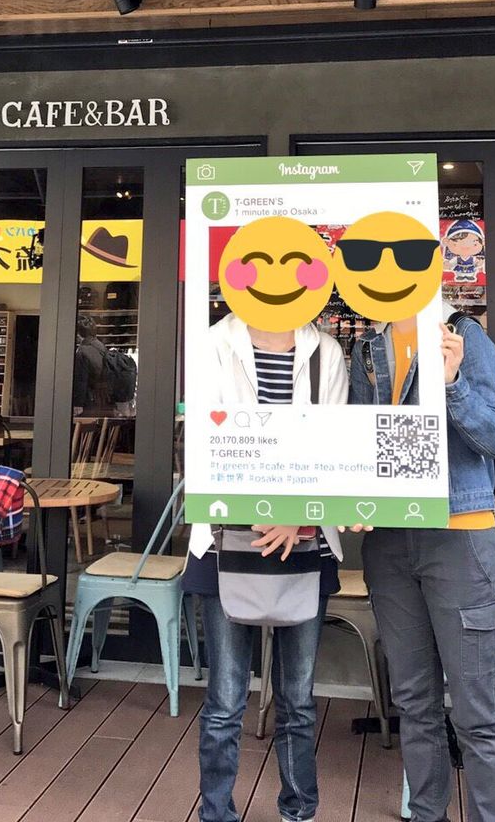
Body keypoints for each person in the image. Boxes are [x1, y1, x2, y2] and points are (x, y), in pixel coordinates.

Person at [184, 309, 348, 822]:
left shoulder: (326, 352)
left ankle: (299, 810)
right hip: (225, 540)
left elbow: (336, 446)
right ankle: (216, 814)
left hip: (307, 543)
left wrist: (297, 515)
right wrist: (263, 510)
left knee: (297, 699)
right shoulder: (213, 344)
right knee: (225, 699)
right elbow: (205, 445)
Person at [349, 312, 495, 822]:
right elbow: (359, 443)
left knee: (476, 712)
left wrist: (452, 383)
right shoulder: (366, 350)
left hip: (460, 534)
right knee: (414, 704)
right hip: (389, 543)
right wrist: (351, 497)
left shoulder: (462, 334)